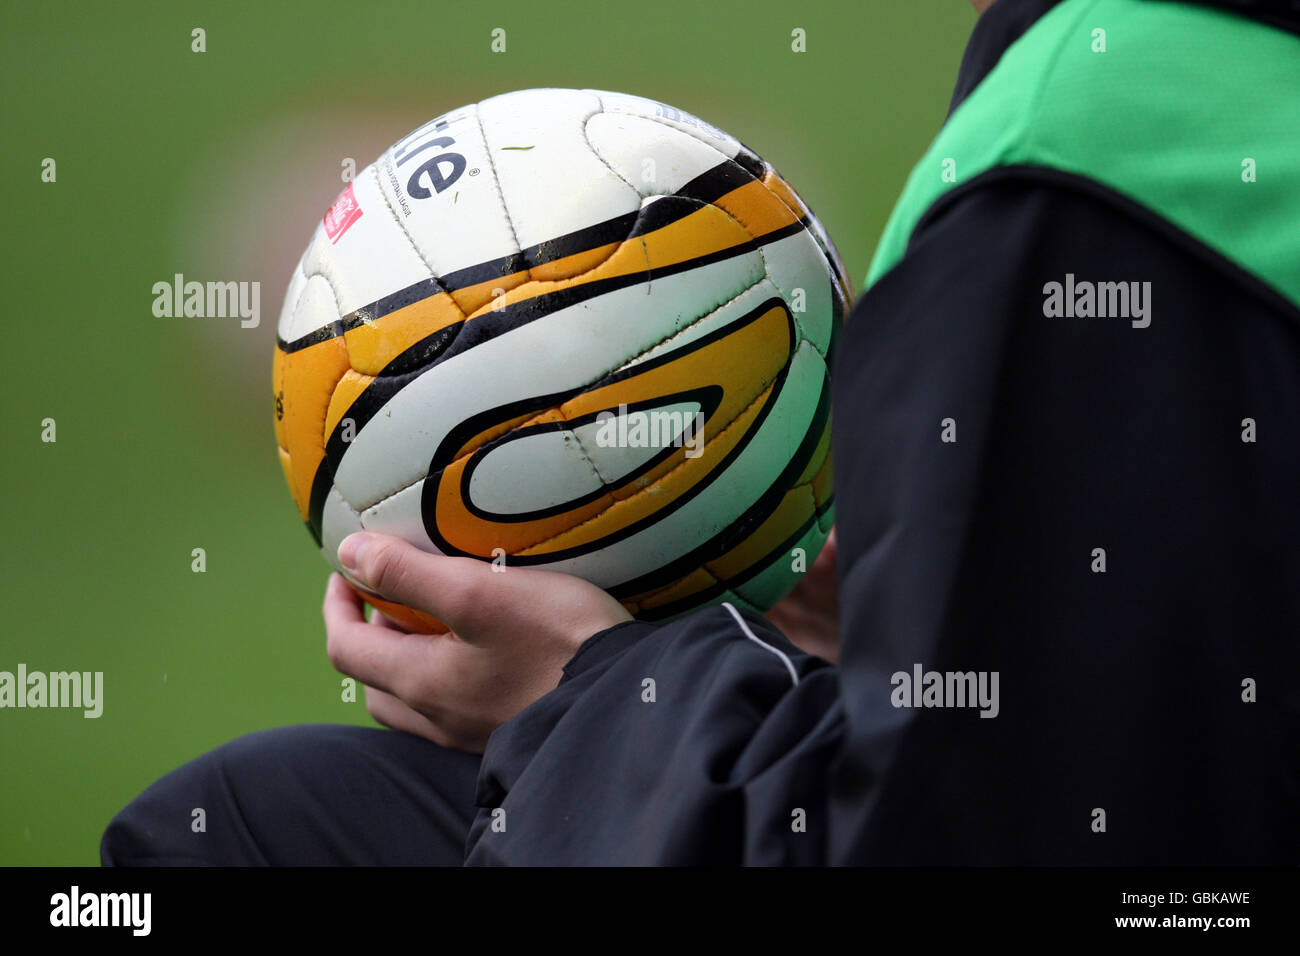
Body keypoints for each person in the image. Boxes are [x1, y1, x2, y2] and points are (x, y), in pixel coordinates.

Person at [103, 0, 1300, 866]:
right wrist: (910, 626)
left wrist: (596, 698)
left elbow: (995, 834)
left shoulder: (1088, 158)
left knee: (247, 821)